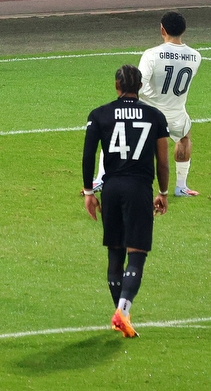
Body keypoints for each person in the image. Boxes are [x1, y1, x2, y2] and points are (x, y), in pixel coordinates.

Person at [82, 65, 170, 338]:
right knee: (136, 254)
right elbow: (163, 162)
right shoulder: (155, 116)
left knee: (115, 253)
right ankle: (123, 310)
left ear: (116, 86)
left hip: (111, 189)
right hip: (138, 189)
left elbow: (88, 155)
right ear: (140, 86)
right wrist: (163, 193)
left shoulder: (99, 114)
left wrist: (88, 192)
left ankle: (120, 316)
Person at [138, 11, 201, 196]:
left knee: (120, 136)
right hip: (175, 114)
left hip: (149, 112)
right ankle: (181, 186)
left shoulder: (152, 55)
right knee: (184, 138)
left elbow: (139, 85)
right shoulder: (195, 57)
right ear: (184, 30)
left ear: (162, 29)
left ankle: (100, 178)